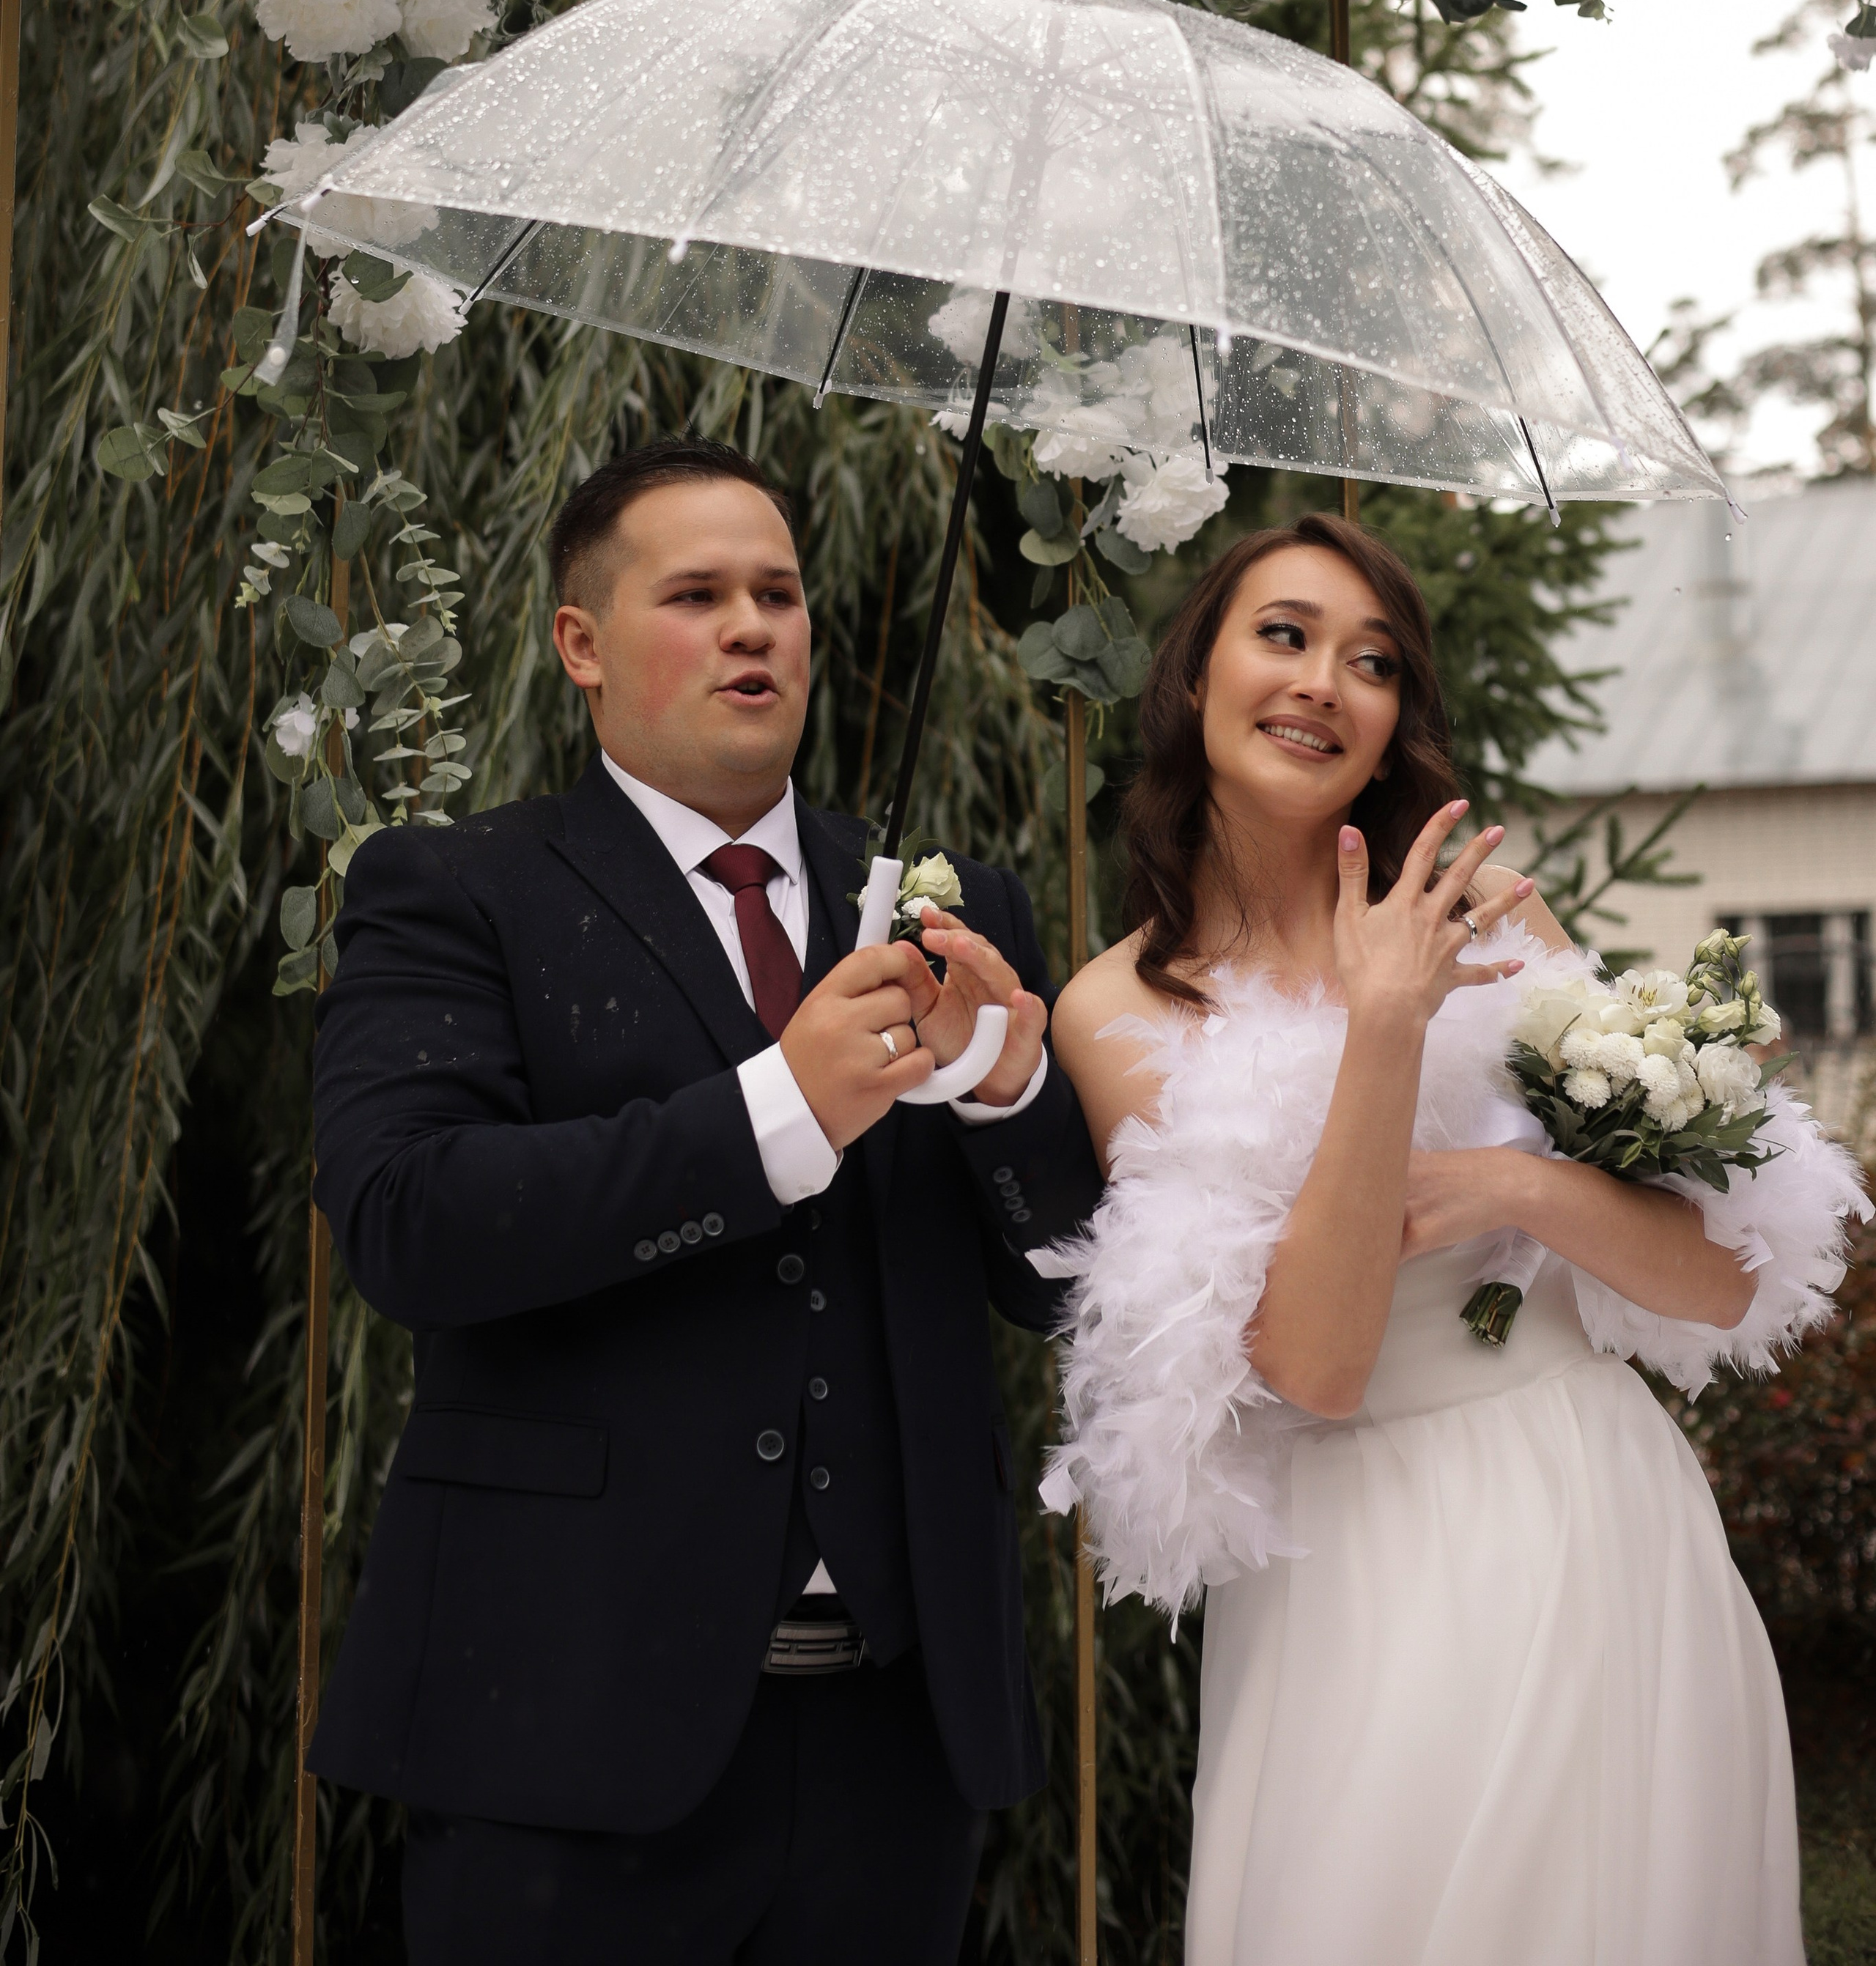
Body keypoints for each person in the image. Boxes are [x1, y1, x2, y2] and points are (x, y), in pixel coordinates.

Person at [307, 434, 1104, 1965]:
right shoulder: (453, 887)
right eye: (697, 593)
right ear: (580, 646)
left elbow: (1073, 1284)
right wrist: (778, 1107)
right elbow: (412, 1218)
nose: (754, 625)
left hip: (894, 1739)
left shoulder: (949, 913)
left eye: (779, 593)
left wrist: (1003, 1091)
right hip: (559, 1724)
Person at [1044, 512, 1868, 1966]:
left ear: (1390, 730)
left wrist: (1518, 1187)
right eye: (1282, 635)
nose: (1320, 683)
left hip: (1593, 1512)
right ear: (1194, 679)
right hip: (1353, 1571)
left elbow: (1728, 1275)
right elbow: (1312, 1367)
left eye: (1369, 663)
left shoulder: (1495, 920)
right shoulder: (1117, 1012)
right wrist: (1380, 1025)